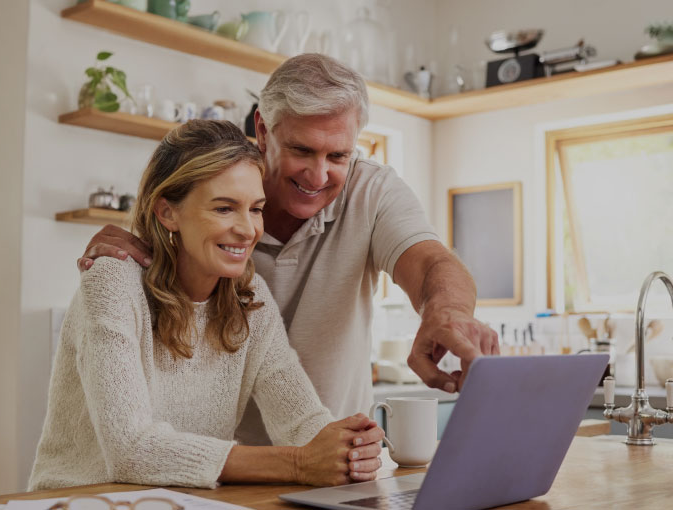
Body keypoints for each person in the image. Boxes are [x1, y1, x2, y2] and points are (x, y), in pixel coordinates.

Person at [77, 54, 499, 444]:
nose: (318, 175)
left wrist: (446, 312)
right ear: (263, 130)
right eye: (302, 150)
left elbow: (431, 262)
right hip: (207, 467)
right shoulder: (209, 200)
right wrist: (130, 259)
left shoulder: (371, 192)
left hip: (321, 458)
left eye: (339, 155)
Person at [28, 120, 385, 491]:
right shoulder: (113, 281)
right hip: (82, 500)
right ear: (168, 213)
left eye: (256, 209)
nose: (248, 230)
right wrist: (299, 463)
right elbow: (132, 450)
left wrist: (347, 448)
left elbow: (302, 422)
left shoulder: (250, 298)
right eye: (225, 208)